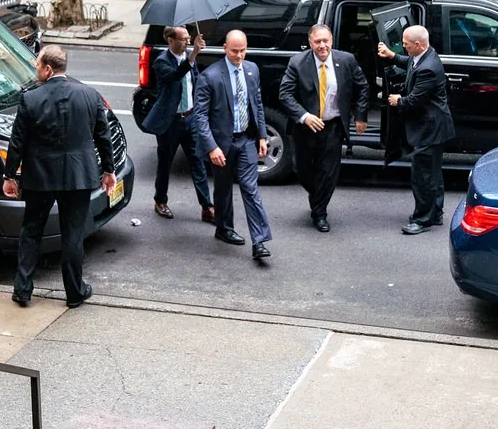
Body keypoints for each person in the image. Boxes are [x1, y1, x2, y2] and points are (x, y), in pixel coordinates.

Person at [3, 45, 116, 308]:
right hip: (78, 175)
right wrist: (108, 170)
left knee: (31, 231)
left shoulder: (30, 99)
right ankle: (75, 293)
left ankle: (23, 289)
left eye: (37, 66)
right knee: (73, 235)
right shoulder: (90, 94)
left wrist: (10, 175)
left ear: (48, 69)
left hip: (40, 176)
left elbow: (17, 142)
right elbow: (103, 137)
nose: (36, 71)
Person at [278, 23, 369, 232]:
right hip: (306, 128)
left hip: (333, 126)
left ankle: (320, 214)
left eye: (325, 41)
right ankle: (317, 194)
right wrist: (304, 116)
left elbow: (362, 87)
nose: (322, 46)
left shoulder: (346, 60)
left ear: (331, 41)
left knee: (328, 172)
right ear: (310, 43)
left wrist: (360, 116)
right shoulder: (298, 62)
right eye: (317, 41)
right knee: (302, 170)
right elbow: (285, 94)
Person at [193, 30, 273, 260]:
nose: (239, 55)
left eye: (243, 50)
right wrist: (211, 147)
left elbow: (256, 103)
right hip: (221, 143)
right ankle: (224, 228)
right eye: (235, 51)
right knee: (223, 187)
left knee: (250, 188)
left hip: (246, 139)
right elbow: (200, 116)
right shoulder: (210, 76)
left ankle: (259, 241)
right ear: (225, 48)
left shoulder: (252, 69)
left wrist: (261, 135)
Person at [377, 26, 455, 235]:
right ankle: (435, 212)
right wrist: (393, 56)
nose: (403, 46)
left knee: (423, 176)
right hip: (436, 127)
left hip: (429, 129)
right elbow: (409, 62)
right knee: (433, 173)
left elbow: (415, 100)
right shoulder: (425, 54)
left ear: (418, 44)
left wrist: (397, 100)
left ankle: (422, 219)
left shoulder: (428, 68)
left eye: (405, 44)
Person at [141, 26, 215, 223]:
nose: (187, 42)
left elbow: (195, 81)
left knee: (198, 162)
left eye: (188, 39)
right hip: (171, 121)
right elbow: (175, 76)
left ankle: (207, 206)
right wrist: (193, 57)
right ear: (170, 41)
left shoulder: (189, 57)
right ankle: (160, 201)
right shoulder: (161, 62)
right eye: (183, 39)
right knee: (165, 163)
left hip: (190, 118)